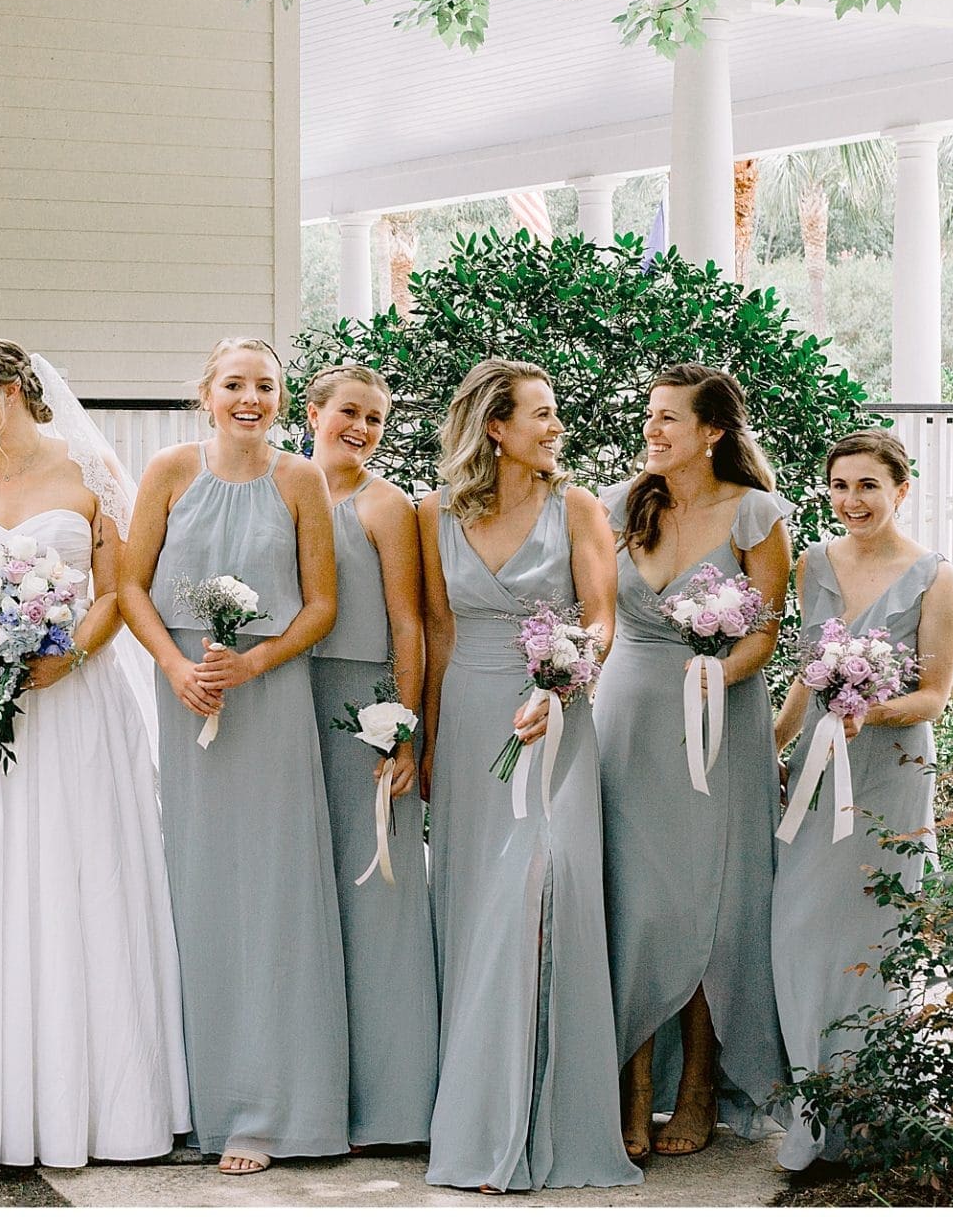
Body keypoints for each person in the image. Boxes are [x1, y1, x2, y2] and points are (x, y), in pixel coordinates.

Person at [0, 340, 188, 1168]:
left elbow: (119, 588)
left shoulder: (89, 474)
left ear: (11, 390)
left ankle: (90, 1104)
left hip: (72, 704)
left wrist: (66, 656)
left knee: (73, 876)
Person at [121, 337, 349, 1176]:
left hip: (271, 695)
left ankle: (269, 1107)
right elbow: (130, 587)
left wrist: (252, 661)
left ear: (282, 401)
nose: (249, 398)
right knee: (198, 886)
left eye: (265, 386)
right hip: (187, 697)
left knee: (275, 892)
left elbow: (321, 603)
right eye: (234, 385)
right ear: (205, 395)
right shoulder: (169, 472)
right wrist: (178, 666)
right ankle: (191, 1098)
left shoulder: (301, 480)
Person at [417, 360, 639, 1193]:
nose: (554, 427)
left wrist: (559, 683)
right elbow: (437, 631)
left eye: (555, 414)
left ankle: (539, 1122)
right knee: (477, 907)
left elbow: (602, 616)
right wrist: (429, 742)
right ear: (494, 428)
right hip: (471, 714)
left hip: (556, 712)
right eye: (539, 416)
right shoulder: (428, 511)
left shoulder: (575, 506)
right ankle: (475, 1119)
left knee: (538, 893)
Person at [596, 367, 792, 1159]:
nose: (652, 430)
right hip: (628, 719)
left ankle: (698, 1085)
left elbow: (766, 630)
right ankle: (632, 1081)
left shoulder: (754, 514)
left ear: (711, 431)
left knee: (712, 905)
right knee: (636, 902)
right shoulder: (618, 503)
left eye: (667, 418)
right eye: (648, 416)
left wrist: (716, 675)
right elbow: (595, 612)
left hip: (718, 721)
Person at [771, 431, 953, 1174]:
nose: (851, 500)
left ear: (900, 489)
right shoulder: (811, 562)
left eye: (867, 486)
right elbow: (801, 675)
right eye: (839, 486)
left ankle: (865, 1112)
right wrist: (773, 746)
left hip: (887, 770)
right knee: (795, 927)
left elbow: (933, 697)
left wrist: (865, 711)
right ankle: (806, 1105)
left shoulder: (932, 577)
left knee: (871, 938)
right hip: (817, 771)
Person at [305, 362, 438, 1146]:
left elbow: (409, 624)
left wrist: (403, 729)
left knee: (378, 893)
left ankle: (391, 1102)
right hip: (289, 706)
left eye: (376, 419)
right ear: (314, 412)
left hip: (366, 712)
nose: (360, 428)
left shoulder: (386, 505)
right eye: (348, 412)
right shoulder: (281, 489)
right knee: (309, 895)